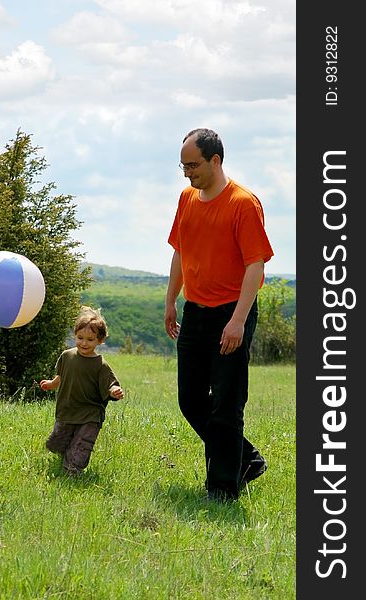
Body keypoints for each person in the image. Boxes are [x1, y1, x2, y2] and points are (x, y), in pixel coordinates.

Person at [164, 128, 274, 502]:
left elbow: (255, 266)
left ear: (215, 160)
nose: (187, 173)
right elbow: (180, 252)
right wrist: (170, 301)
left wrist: (239, 320)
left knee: (227, 400)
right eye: (183, 166)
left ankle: (223, 487)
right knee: (190, 399)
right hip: (195, 311)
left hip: (232, 312)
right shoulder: (186, 198)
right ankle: (246, 459)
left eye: (192, 165)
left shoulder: (243, 203)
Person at [40, 306, 124, 476]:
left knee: (82, 443)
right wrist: (51, 384)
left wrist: (114, 390)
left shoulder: (100, 365)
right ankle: (65, 453)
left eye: (90, 339)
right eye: (80, 338)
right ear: (75, 335)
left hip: (90, 412)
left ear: (100, 341)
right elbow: (61, 377)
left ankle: (73, 470)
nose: (84, 343)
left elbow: (110, 384)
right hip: (68, 409)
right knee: (57, 442)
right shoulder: (67, 356)